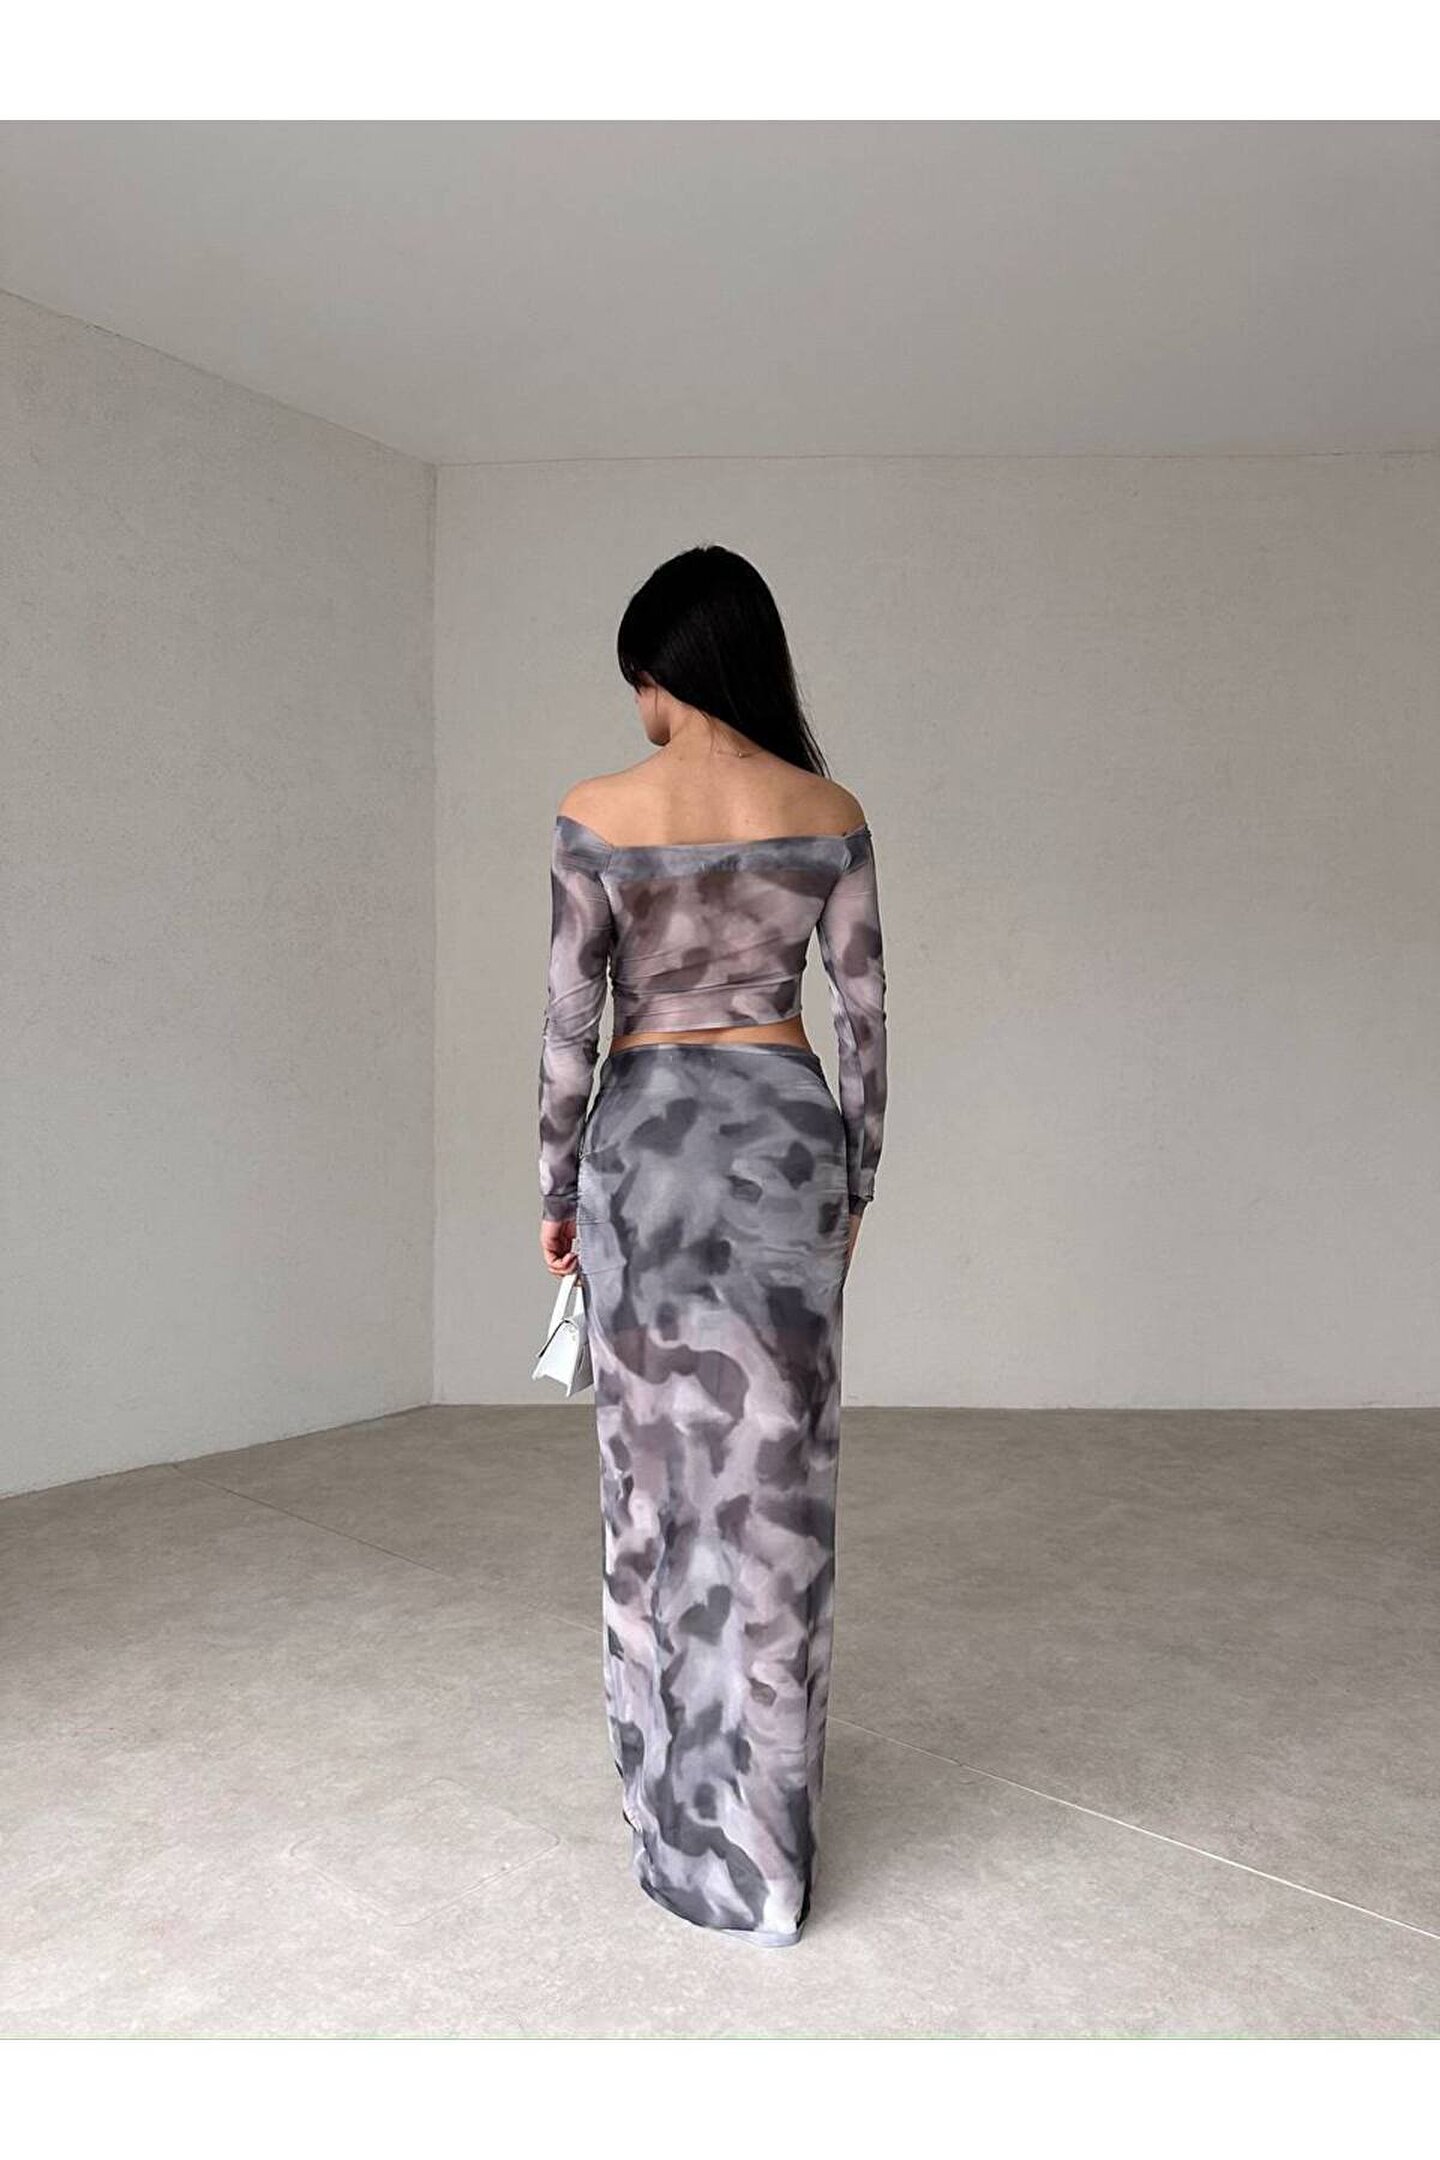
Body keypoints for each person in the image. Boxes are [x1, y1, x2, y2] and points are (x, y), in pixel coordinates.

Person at [536, 544, 888, 1946]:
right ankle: (771, 1858)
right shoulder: (830, 811)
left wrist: (555, 1184)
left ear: (659, 671)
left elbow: (570, 1023)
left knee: (656, 1489)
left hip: (645, 1152)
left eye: (637, 680)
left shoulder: (597, 812)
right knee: (777, 1491)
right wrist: (857, 1181)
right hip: (786, 1149)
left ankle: (680, 1833)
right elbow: (864, 1020)